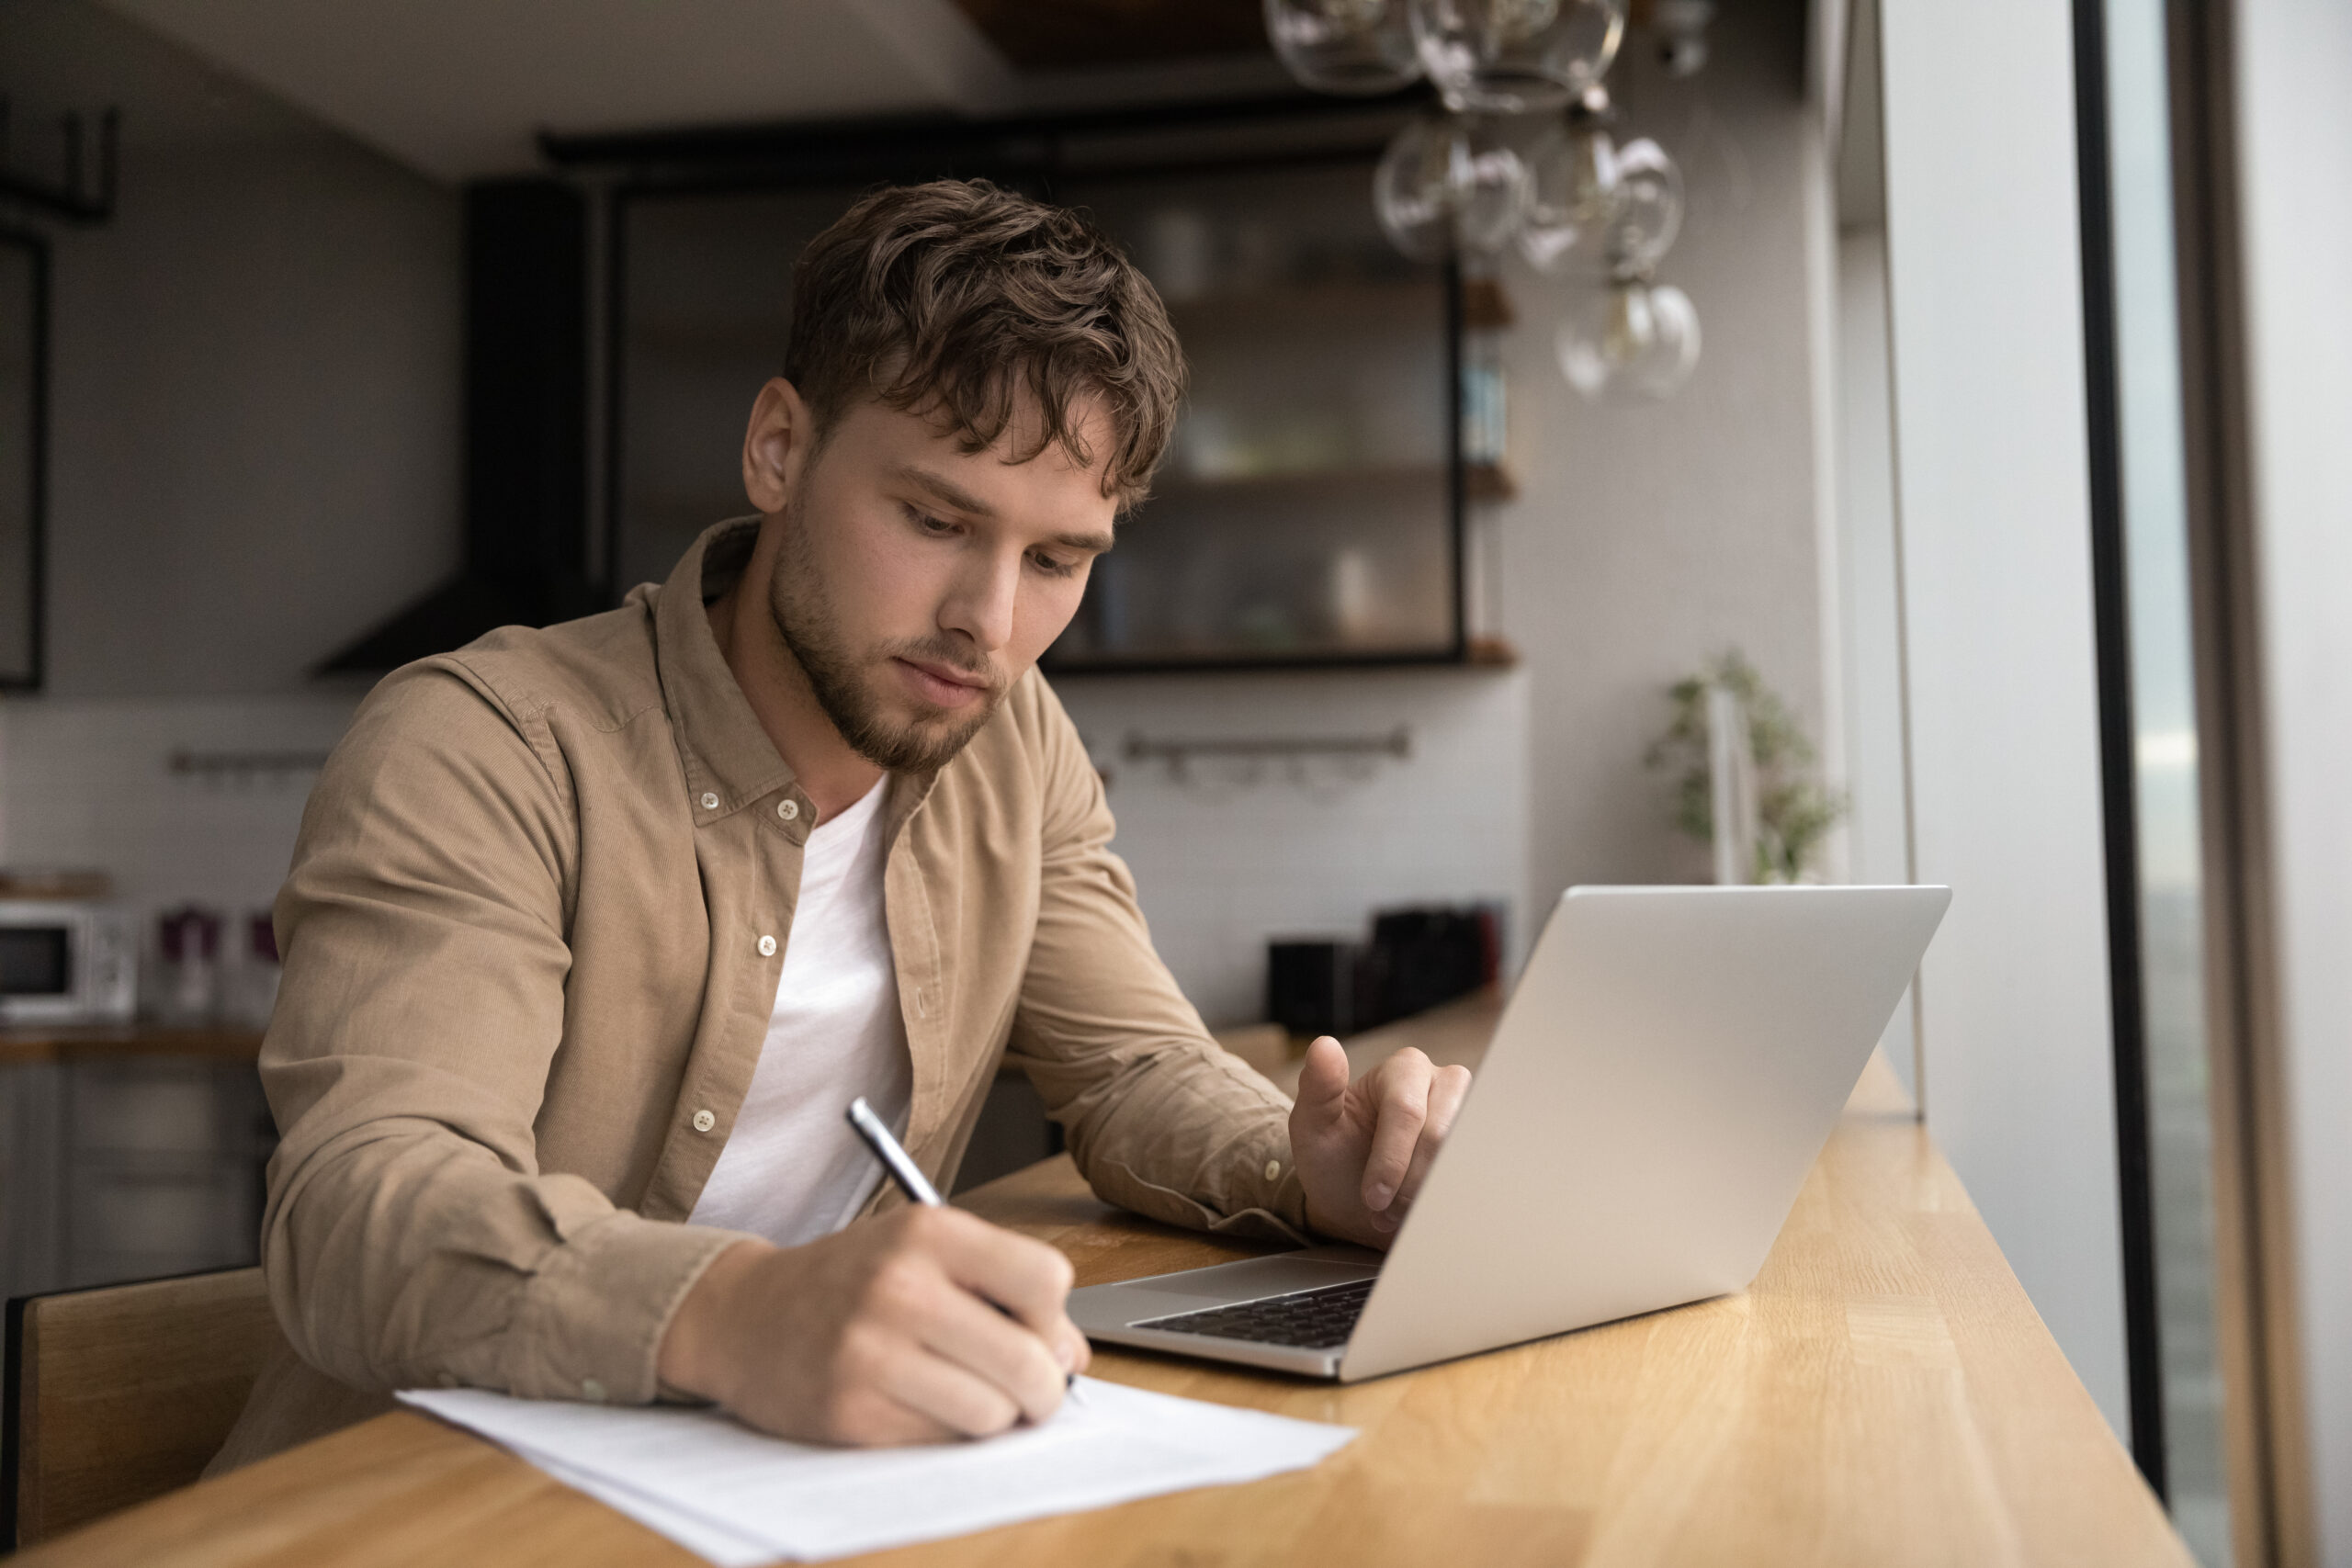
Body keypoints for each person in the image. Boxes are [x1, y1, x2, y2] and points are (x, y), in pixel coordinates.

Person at [213, 178, 1472, 1466]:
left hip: (766, 1480)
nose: (989, 622)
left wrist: (1306, 1168)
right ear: (778, 448)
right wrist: (734, 1306)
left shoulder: (1012, 736)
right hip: (413, 1499)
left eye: (1057, 560)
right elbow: (362, 1209)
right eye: (935, 519)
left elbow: (1136, 1070)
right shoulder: (485, 744)